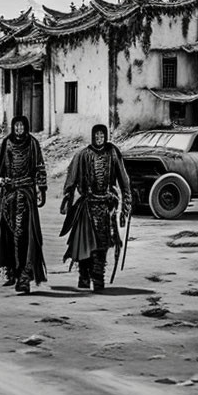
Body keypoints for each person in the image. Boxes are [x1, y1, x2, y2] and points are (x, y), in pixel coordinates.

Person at [59, 124, 132, 292]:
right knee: (85, 244)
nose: (99, 138)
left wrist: (126, 203)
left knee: (102, 244)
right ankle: (84, 276)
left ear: (105, 136)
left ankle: (98, 279)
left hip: (106, 207)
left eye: (101, 135)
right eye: (96, 135)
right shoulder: (82, 155)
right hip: (88, 207)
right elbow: (71, 178)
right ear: (92, 136)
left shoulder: (113, 153)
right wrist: (68, 198)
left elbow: (123, 179)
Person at [0, 115, 48, 294]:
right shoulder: (6, 143)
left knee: (22, 234)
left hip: (25, 194)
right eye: (17, 126)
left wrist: (41, 189)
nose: (19, 129)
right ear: (13, 127)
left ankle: (24, 276)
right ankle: (10, 270)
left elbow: (39, 167)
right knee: (6, 234)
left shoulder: (33, 144)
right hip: (7, 195)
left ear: (26, 127)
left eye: (22, 126)